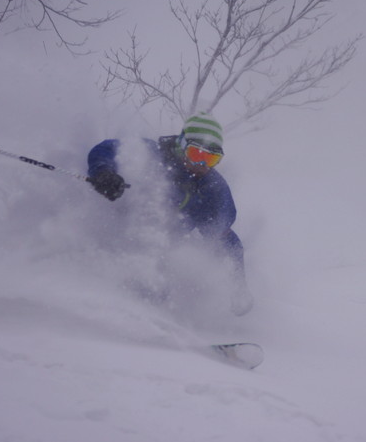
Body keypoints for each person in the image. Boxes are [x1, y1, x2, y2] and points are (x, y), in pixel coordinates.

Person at [86, 113, 253, 316]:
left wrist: (238, 287)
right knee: (121, 268)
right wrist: (103, 173)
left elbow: (226, 239)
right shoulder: (152, 153)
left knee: (160, 281)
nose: (202, 164)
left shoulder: (212, 190)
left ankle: (150, 325)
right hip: (117, 230)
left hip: (163, 250)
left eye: (210, 158)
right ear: (182, 144)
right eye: (196, 154)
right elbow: (106, 149)